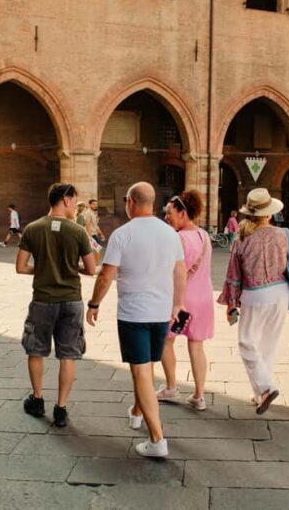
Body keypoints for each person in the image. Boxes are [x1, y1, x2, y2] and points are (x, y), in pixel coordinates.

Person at [86, 182, 186, 458]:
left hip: (134, 315)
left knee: (141, 370)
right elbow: (180, 272)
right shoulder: (170, 234)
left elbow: (106, 276)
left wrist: (94, 304)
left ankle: (157, 440)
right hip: (161, 313)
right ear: (152, 203)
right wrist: (178, 304)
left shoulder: (122, 235)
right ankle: (137, 412)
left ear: (130, 202)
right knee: (144, 368)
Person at [218, 188, 289, 415]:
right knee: (268, 343)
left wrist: (231, 303)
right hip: (281, 293)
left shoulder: (242, 239)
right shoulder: (285, 234)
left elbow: (234, 275)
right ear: (269, 213)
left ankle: (265, 387)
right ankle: (259, 392)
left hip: (255, 294)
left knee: (247, 343)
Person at [16, 183, 96, 428]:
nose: (75, 205)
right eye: (74, 200)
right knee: (68, 355)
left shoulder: (32, 228)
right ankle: (60, 408)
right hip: (71, 300)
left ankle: (37, 399)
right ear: (66, 199)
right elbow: (92, 269)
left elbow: (20, 267)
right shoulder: (78, 231)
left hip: (42, 299)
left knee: (36, 350)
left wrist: (42, 271)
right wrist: (71, 269)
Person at [156, 190, 214, 411]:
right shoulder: (204, 235)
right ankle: (199, 396)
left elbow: (170, 270)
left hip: (180, 300)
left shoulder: (177, 238)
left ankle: (171, 387)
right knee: (196, 346)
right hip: (203, 299)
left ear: (183, 212)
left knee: (166, 341)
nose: (166, 217)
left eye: (170, 212)